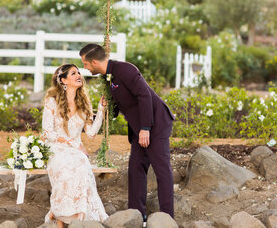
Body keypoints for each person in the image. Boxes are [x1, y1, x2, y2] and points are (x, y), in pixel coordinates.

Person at [79, 44, 176, 220]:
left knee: (162, 169)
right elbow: (119, 107)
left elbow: (144, 95)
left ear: (94, 62)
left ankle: (167, 218)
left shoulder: (125, 70)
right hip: (139, 128)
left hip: (156, 123)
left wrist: (146, 128)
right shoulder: (107, 78)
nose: (84, 68)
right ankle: (137, 215)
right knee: (136, 168)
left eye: (85, 64)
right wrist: (106, 107)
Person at [42, 64, 108, 227]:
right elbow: (47, 133)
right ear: (63, 80)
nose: (79, 75)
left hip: (77, 151)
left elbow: (91, 133)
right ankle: (59, 220)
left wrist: (100, 110)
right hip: (56, 148)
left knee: (80, 168)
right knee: (64, 171)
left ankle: (79, 217)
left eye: (79, 72)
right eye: (73, 73)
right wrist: (72, 143)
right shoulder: (52, 101)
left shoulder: (84, 103)